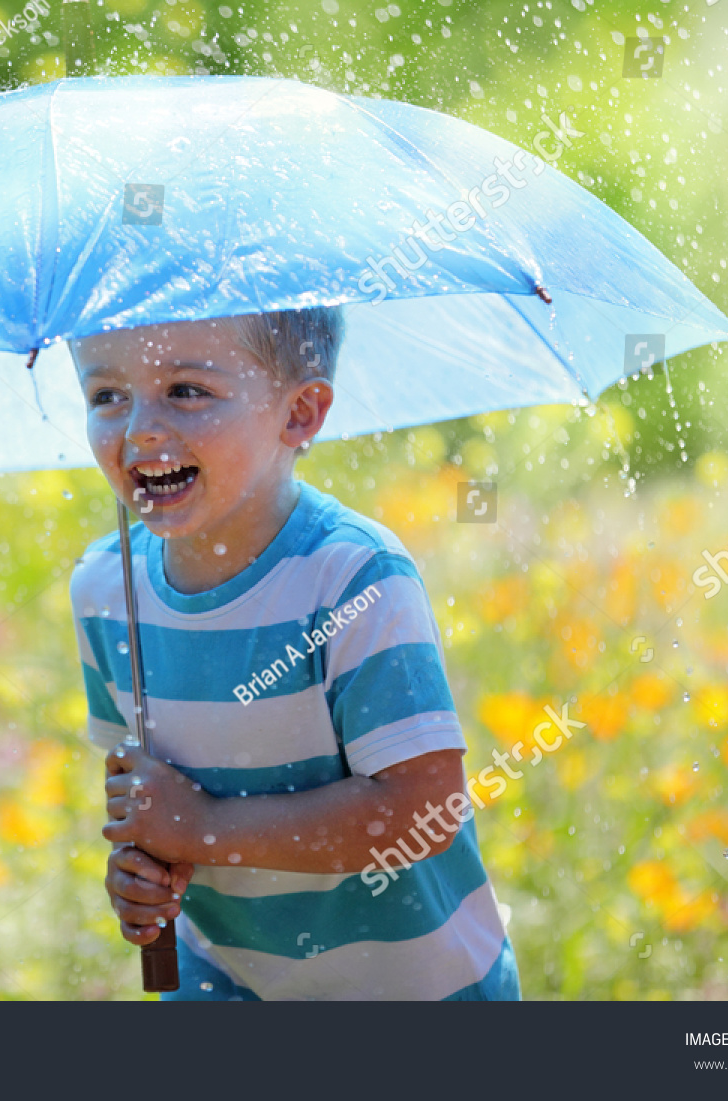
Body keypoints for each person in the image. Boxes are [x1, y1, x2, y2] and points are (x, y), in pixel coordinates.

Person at [67, 307, 519, 1000]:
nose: (139, 431)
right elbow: (145, 792)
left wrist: (207, 828)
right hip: (223, 980)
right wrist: (143, 865)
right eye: (107, 396)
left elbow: (423, 808)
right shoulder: (106, 588)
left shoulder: (352, 578)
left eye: (186, 390)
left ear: (300, 413)